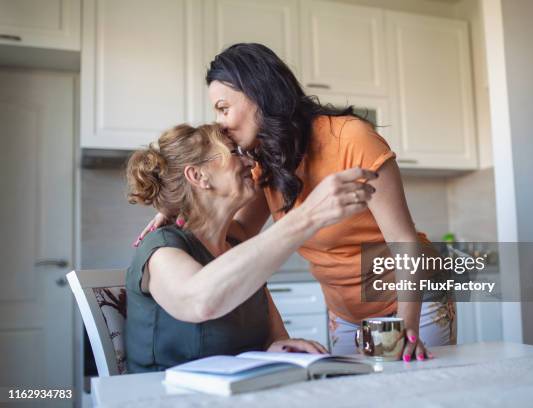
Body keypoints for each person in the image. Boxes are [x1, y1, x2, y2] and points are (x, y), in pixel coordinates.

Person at [141, 43, 456, 360]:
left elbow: (403, 240)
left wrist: (405, 328)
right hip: (344, 312)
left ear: (257, 94)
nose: (220, 122)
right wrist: (178, 209)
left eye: (223, 108)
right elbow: (238, 235)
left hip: (413, 300)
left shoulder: (351, 138)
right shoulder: (266, 159)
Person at [125, 123, 377, 372]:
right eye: (235, 153)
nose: (251, 164)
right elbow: (200, 301)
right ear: (198, 176)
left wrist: (278, 348)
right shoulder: (162, 249)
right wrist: (309, 215)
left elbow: (273, 338)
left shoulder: (236, 244)